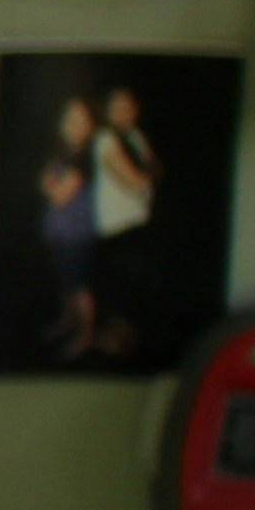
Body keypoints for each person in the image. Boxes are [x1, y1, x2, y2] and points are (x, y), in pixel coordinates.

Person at [87, 83, 162, 356]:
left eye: (127, 106)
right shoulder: (105, 139)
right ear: (108, 111)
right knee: (117, 290)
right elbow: (131, 180)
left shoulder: (136, 136)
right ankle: (111, 345)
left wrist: (147, 179)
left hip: (138, 224)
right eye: (116, 107)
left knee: (134, 290)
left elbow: (155, 170)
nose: (123, 112)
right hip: (115, 227)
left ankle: (128, 344)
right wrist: (145, 182)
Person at [30, 102, 102, 361]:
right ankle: (67, 322)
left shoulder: (84, 157)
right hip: (59, 230)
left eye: (80, 121)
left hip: (77, 232)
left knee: (79, 285)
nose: (73, 126)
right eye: (69, 120)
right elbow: (44, 181)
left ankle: (86, 334)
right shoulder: (62, 154)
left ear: (90, 126)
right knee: (65, 281)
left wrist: (51, 187)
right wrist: (51, 186)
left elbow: (59, 195)